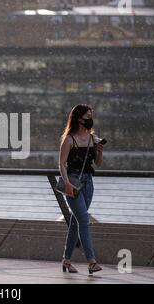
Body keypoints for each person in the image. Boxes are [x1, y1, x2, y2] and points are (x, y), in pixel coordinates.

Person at [58, 104, 104, 275]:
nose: (90, 119)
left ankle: (66, 260)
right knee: (84, 220)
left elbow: (98, 163)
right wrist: (67, 184)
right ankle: (91, 261)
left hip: (88, 183)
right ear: (78, 119)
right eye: (87, 116)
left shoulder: (93, 138)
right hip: (73, 181)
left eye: (91, 115)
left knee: (76, 223)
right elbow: (61, 164)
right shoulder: (69, 139)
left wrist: (100, 151)